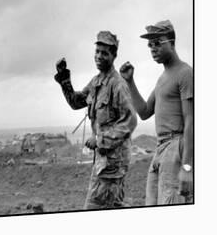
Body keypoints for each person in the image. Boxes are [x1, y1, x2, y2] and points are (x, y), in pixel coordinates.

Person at [54, 31, 137, 209]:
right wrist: (64, 78)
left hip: (112, 165)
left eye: (104, 53)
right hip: (103, 162)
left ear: (114, 56)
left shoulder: (118, 84)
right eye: (97, 51)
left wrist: (100, 139)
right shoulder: (97, 81)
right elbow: (76, 102)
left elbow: (129, 122)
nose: (99, 56)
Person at [119, 20, 193, 205]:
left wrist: (187, 168)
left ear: (172, 42)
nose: (153, 48)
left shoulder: (185, 73)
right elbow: (144, 111)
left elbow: (191, 121)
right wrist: (129, 81)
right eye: (150, 45)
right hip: (160, 149)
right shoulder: (162, 79)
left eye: (158, 43)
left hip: (176, 146)